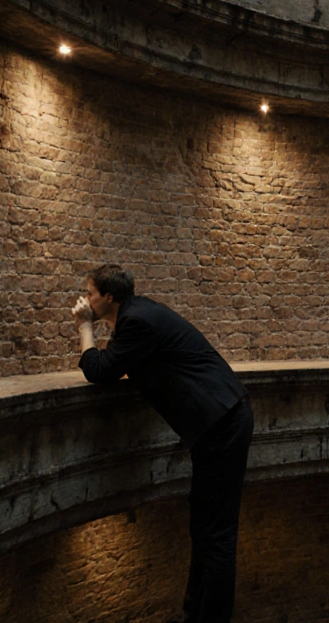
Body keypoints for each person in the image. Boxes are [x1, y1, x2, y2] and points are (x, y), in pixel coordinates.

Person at [73, 264, 252, 623]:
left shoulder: (137, 321)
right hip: (218, 422)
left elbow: (100, 370)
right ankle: (195, 612)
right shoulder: (137, 315)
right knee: (205, 527)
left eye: (89, 293)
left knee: (216, 534)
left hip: (222, 422)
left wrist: (84, 327)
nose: (85, 299)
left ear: (109, 297)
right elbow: (117, 359)